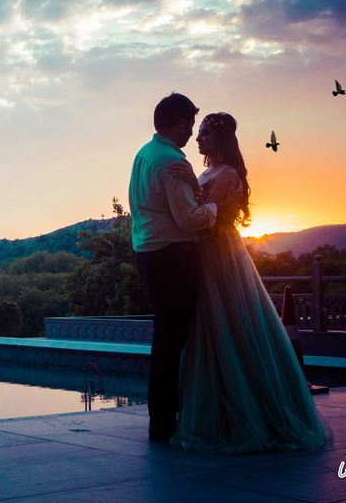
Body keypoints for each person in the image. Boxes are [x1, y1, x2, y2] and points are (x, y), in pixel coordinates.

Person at [169, 112, 329, 453]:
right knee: (209, 329)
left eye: (204, 135)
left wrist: (191, 187)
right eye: (197, 134)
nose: (198, 140)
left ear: (220, 140)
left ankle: (253, 413)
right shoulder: (207, 172)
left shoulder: (228, 175)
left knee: (232, 324)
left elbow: (216, 216)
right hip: (203, 253)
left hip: (220, 254)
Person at [128, 93, 222, 442]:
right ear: (180, 122)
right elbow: (189, 218)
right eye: (190, 124)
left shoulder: (144, 154)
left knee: (165, 339)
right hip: (173, 255)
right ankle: (164, 422)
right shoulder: (169, 160)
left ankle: (163, 418)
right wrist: (212, 208)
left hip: (148, 251)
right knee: (172, 341)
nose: (191, 132)